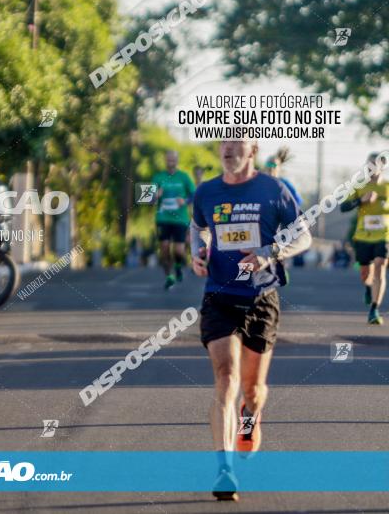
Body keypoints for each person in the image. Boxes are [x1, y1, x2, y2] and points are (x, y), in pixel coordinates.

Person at [190, 140, 311, 501]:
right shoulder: (206, 191)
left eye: (236, 143)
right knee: (225, 378)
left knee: (253, 391)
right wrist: (197, 252)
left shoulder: (274, 189)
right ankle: (224, 469)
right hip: (219, 297)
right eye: (223, 142)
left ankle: (250, 415)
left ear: (252, 149)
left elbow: (303, 236)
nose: (228, 148)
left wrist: (269, 252)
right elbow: (198, 227)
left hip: (261, 298)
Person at [340, 152, 388, 325]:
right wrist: (361, 200)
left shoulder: (387, 186)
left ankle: (374, 309)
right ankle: (368, 287)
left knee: (380, 265)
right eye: (368, 165)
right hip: (362, 236)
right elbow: (343, 207)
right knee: (365, 273)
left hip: (384, 235)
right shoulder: (359, 186)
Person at [152, 150, 196, 290]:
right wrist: (155, 196)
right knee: (164, 249)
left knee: (179, 251)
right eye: (168, 159)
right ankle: (169, 277)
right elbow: (147, 200)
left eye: (173, 159)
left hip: (180, 219)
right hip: (163, 218)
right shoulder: (158, 177)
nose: (171, 161)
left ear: (177, 161)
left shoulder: (184, 177)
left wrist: (185, 200)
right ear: (165, 160)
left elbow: (194, 194)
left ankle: (177, 266)